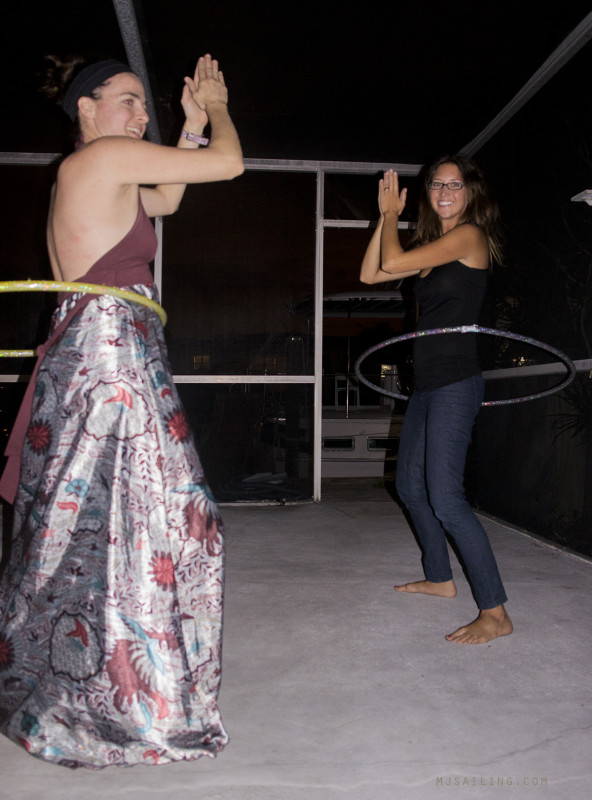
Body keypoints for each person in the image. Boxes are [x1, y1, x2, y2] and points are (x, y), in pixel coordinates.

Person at [0, 54, 243, 767]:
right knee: (171, 524)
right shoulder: (102, 157)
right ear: (85, 108)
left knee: (97, 532)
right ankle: (137, 705)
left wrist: (189, 128)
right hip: (111, 351)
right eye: (129, 101)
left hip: (100, 346)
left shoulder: (97, 172)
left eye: (144, 106)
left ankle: (78, 695)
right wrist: (222, 110)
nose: (141, 116)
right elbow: (230, 166)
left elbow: (166, 198)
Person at [360, 155, 512, 645]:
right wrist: (383, 218)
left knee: (446, 497)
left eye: (456, 184)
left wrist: (389, 220)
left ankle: (495, 612)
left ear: (472, 192)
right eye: (437, 184)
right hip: (427, 385)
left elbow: (393, 261)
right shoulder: (433, 248)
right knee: (410, 487)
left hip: (456, 382)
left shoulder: (469, 237)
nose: (445, 191)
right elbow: (372, 274)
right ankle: (441, 578)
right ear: (427, 193)